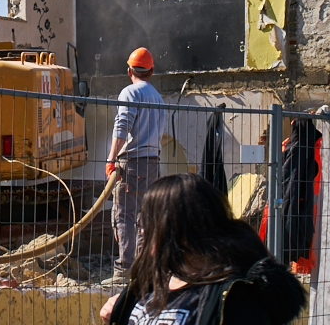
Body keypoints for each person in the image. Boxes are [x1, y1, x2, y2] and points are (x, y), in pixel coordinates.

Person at [100, 173, 306, 325]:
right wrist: (119, 311)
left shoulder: (236, 300)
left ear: (177, 228)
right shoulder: (151, 283)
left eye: (148, 222)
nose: (143, 231)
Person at [104, 46, 165, 282]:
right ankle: (142, 270)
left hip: (132, 163)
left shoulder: (129, 93)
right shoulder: (157, 97)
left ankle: (124, 270)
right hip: (152, 163)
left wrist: (111, 159)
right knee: (143, 217)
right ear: (151, 72)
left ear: (130, 70)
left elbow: (122, 128)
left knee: (125, 215)